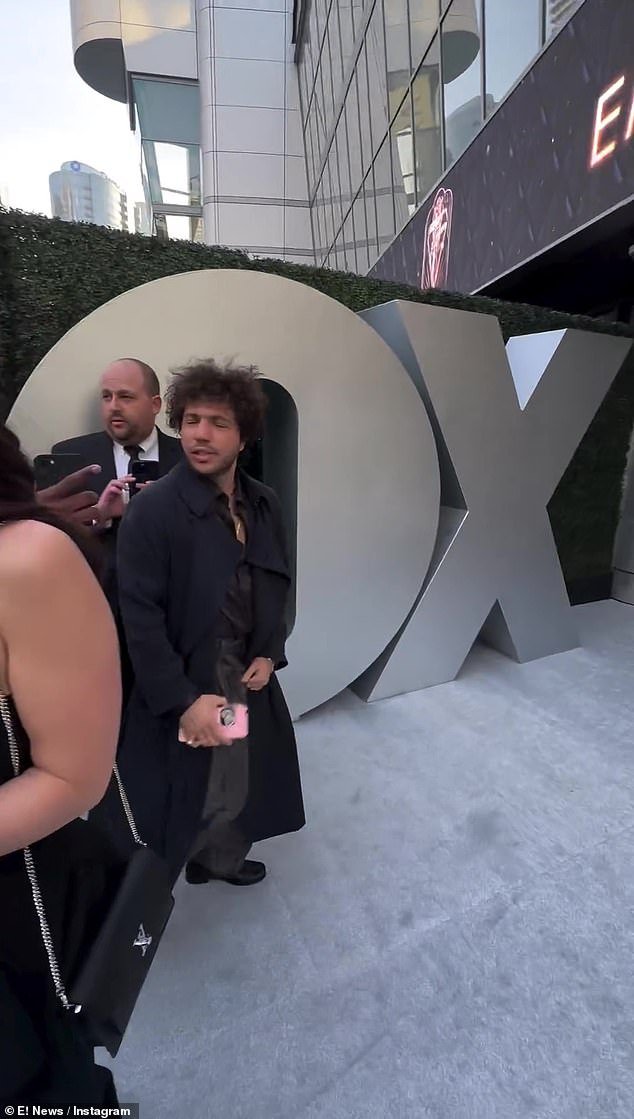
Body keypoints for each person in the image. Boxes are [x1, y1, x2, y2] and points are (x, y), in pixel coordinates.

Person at [97, 359, 305, 886]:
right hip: (185, 677)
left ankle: (219, 860)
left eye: (218, 422)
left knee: (234, 770)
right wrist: (182, 701)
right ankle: (154, 884)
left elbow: (275, 580)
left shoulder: (263, 503)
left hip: (240, 673)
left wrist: (268, 650)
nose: (201, 434)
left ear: (244, 436)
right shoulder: (154, 511)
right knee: (176, 784)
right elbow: (138, 619)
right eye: (191, 420)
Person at [0, 422, 121, 1105]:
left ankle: (215, 850)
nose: (202, 434)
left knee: (225, 784)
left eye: (216, 421)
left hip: (220, 691)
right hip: (168, 693)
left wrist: (259, 658)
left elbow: (75, 775)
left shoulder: (250, 502)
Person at [52, 358, 182, 699]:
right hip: (93, 623)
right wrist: (100, 517)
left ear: (155, 404)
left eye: (125, 397)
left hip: (170, 626)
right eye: (106, 397)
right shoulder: (72, 456)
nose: (113, 407)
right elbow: (52, 540)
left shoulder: (187, 459)